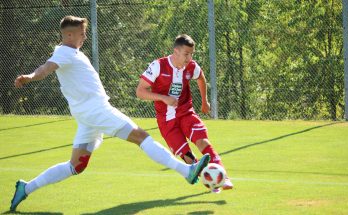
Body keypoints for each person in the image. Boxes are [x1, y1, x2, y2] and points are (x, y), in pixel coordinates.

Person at [10, 16, 210, 212]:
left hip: (87, 116)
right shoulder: (64, 53)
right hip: (96, 110)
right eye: (82, 33)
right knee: (141, 137)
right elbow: (46, 69)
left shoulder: (71, 52)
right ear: (69, 35)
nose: (85, 37)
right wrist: (30, 77)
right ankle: (187, 171)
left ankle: (26, 188)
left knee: (75, 166)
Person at [136, 34, 233, 193]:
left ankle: (224, 177)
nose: (189, 57)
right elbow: (140, 91)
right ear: (176, 51)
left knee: (203, 142)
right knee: (188, 158)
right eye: (186, 54)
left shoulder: (191, 66)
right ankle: (211, 180)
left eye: (191, 54)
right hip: (167, 122)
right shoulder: (158, 66)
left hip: (186, 113)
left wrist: (204, 101)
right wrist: (163, 98)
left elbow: (200, 77)